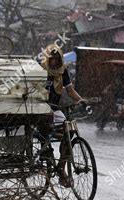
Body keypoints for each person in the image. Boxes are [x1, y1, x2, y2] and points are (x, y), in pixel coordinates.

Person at [40, 44, 86, 187]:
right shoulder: (40, 70)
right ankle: (46, 154)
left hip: (54, 108)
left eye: (57, 59)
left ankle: (61, 167)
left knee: (68, 130)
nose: (54, 62)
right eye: (51, 59)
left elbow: (70, 90)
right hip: (39, 108)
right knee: (44, 130)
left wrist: (81, 100)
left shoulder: (63, 71)